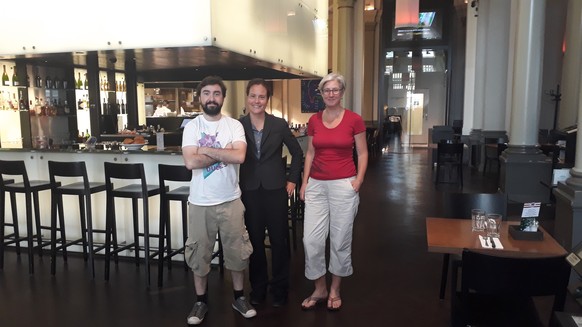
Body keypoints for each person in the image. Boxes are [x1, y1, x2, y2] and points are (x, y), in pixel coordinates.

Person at [182, 76, 256, 325]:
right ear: (199, 97)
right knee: (199, 253)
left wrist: (206, 150)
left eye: (216, 93)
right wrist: (225, 152)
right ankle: (200, 301)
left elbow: (240, 156)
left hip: (231, 200)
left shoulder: (234, 125)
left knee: (237, 252)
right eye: (206, 93)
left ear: (223, 97)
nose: (211, 98)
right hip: (200, 202)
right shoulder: (192, 126)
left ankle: (239, 297)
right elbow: (190, 162)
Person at [299, 72, 368, 311]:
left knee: (339, 240)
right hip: (317, 185)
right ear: (321, 93)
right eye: (326, 90)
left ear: (341, 92)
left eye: (335, 90)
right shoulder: (314, 121)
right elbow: (310, 153)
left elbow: (362, 153)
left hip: (343, 184)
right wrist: (305, 182)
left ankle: (335, 288)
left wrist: (358, 180)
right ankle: (320, 287)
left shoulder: (354, 120)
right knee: (311, 240)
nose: (330, 94)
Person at [239, 78, 303, 307]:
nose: (257, 100)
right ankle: (258, 289)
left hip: (276, 189)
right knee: (254, 241)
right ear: (247, 97)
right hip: (249, 190)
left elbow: (297, 153)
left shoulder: (278, 124)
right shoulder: (238, 125)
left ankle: (280, 289)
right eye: (253, 96)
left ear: (267, 99)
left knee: (279, 241)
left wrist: (293, 180)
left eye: (261, 96)